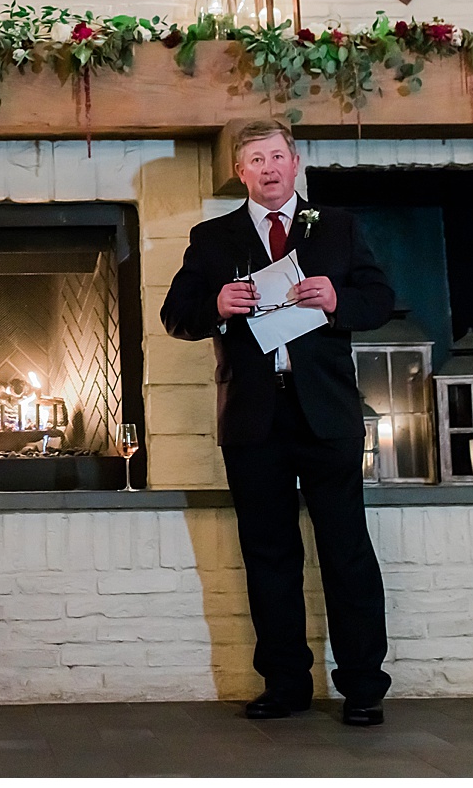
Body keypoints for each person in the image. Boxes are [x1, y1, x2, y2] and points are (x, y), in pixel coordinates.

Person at [159, 117, 395, 727]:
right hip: (253, 419)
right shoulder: (212, 238)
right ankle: (286, 684)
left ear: (295, 163)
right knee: (269, 555)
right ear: (241, 172)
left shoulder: (337, 228)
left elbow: (379, 301)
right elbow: (176, 316)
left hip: (328, 415)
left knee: (347, 553)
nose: (267, 168)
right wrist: (215, 306)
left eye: (276, 157)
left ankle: (364, 687)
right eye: (254, 160)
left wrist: (337, 298)